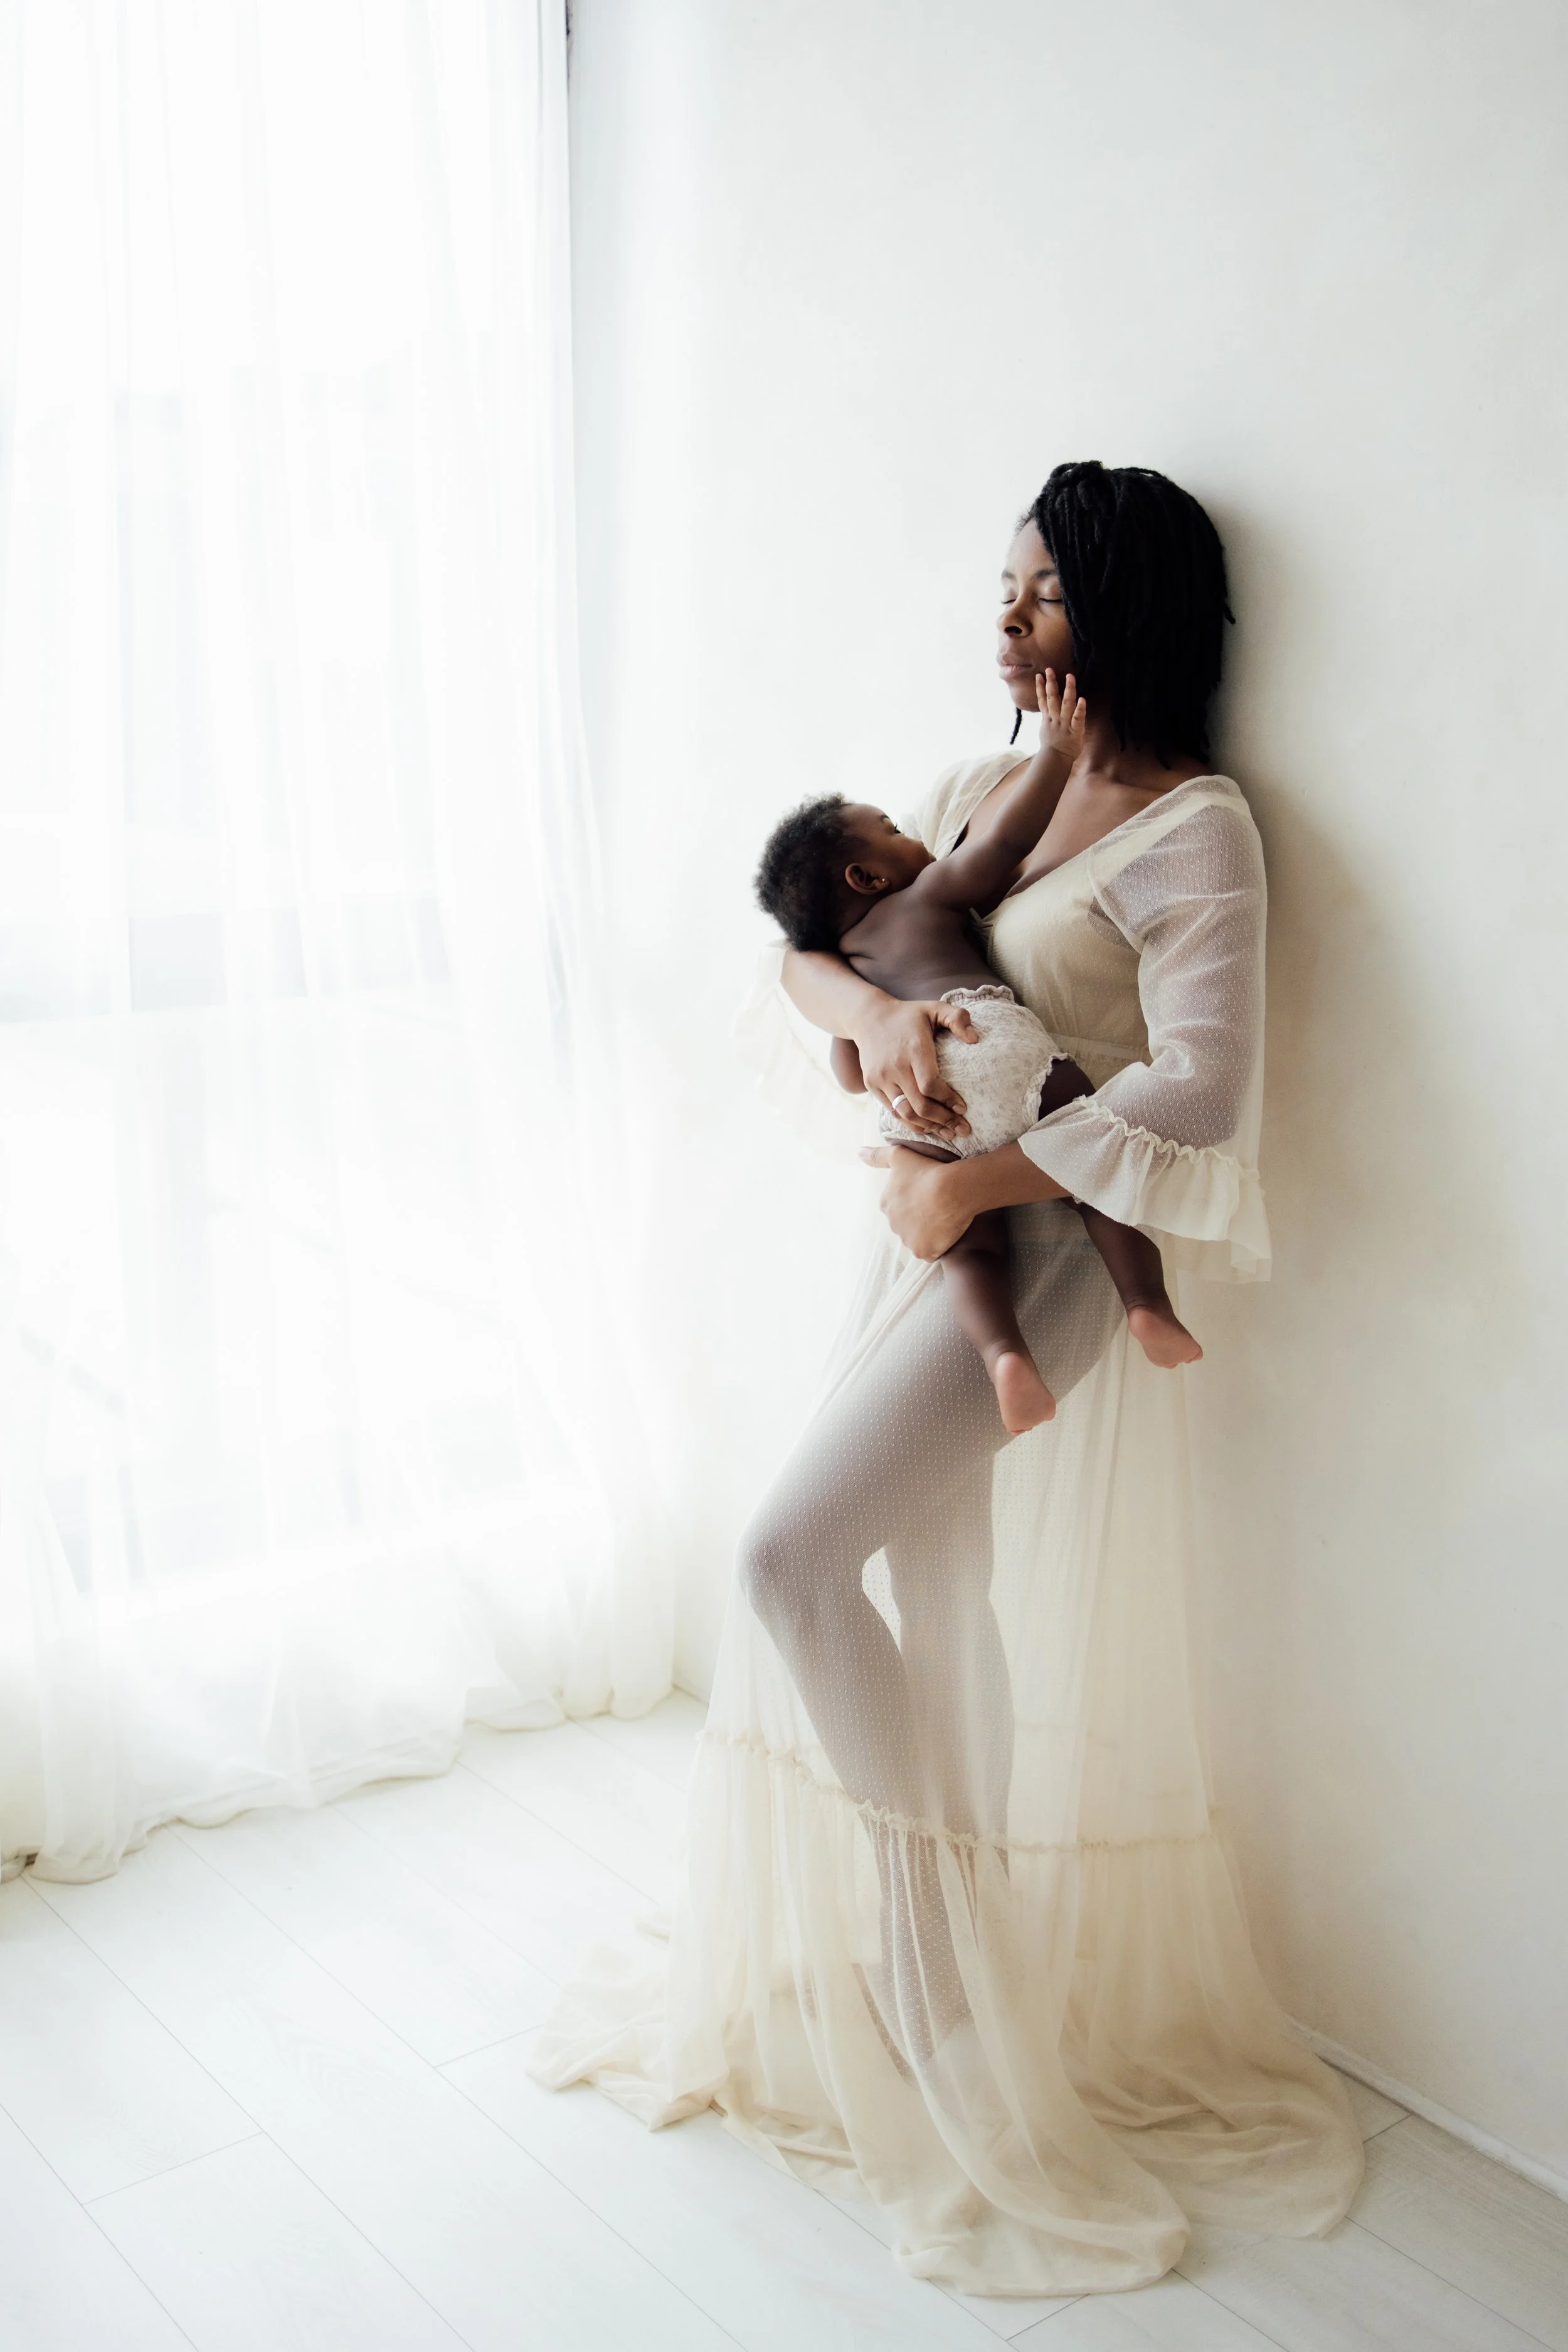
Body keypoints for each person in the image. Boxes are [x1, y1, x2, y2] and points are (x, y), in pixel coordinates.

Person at [531, 461, 1363, 2298]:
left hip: (1044, 1255)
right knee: (931, 1578)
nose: (1003, 618)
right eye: (1000, 584)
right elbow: (815, 962)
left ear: (1124, 611)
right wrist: (887, 1020)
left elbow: (1200, 1087)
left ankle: (933, 1964)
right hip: (920, 1236)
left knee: (785, 1556)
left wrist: (964, 1185)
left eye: (1039, 593)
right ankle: (959, 1964)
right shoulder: (978, 789)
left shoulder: (1198, 830)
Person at [752, 667, 1200, 1436]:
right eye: (894, 831)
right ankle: (1145, 1305)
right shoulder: (922, 897)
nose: (916, 837)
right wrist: (1055, 755)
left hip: (920, 1112)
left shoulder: (852, 970)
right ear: (869, 876)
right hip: (986, 1042)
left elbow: (852, 1074)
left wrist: (869, 1025)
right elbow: (999, 846)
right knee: (1095, 1165)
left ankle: (1004, 1358)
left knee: (969, 1251)